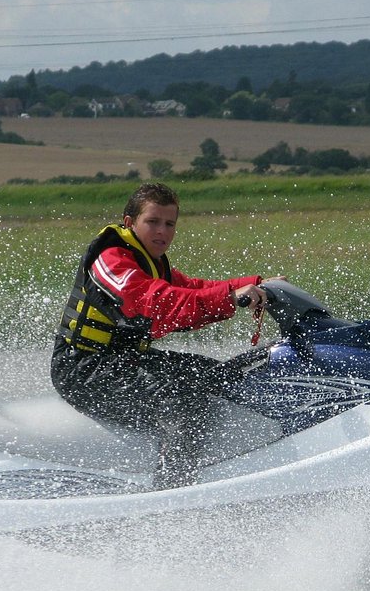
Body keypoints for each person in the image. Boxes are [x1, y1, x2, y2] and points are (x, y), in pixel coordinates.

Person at [51, 182, 269, 489]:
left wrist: (259, 283)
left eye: (169, 224)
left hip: (125, 361)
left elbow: (193, 289)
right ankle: (172, 493)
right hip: (84, 370)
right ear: (130, 223)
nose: (162, 232)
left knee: (219, 374)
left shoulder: (151, 263)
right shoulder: (111, 261)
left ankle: (248, 461)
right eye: (152, 222)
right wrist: (230, 298)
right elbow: (158, 302)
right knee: (184, 402)